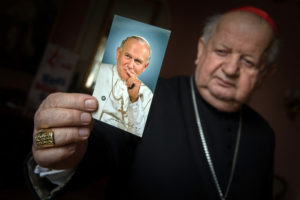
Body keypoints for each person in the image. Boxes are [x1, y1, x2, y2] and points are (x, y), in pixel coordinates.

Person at [25, 6, 279, 200]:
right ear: (201, 50)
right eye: (222, 51)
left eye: (248, 62)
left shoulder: (265, 136)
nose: (231, 69)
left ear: (265, 75)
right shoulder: (141, 95)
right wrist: (56, 150)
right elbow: (97, 147)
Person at [93, 36, 153, 137]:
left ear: (145, 67)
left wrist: (134, 100)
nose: (130, 65)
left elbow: (138, 133)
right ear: (118, 53)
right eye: (128, 56)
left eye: (138, 61)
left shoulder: (148, 95)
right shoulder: (99, 71)